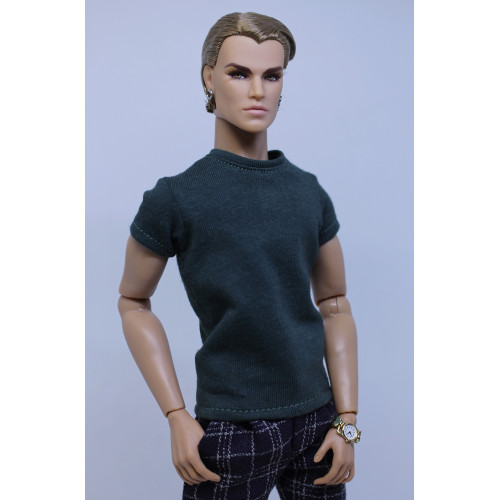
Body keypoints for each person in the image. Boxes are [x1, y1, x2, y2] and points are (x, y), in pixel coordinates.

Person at [118, 11, 360, 500]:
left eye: (272, 76)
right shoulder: (177, 198)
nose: (257, 91)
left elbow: (335, 305)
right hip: (233, 425)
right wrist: (177, 415)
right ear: (209, 77)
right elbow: (133, 302)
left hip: (318, 422)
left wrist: (347, 421)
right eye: (238, 73)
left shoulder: (307, 193)